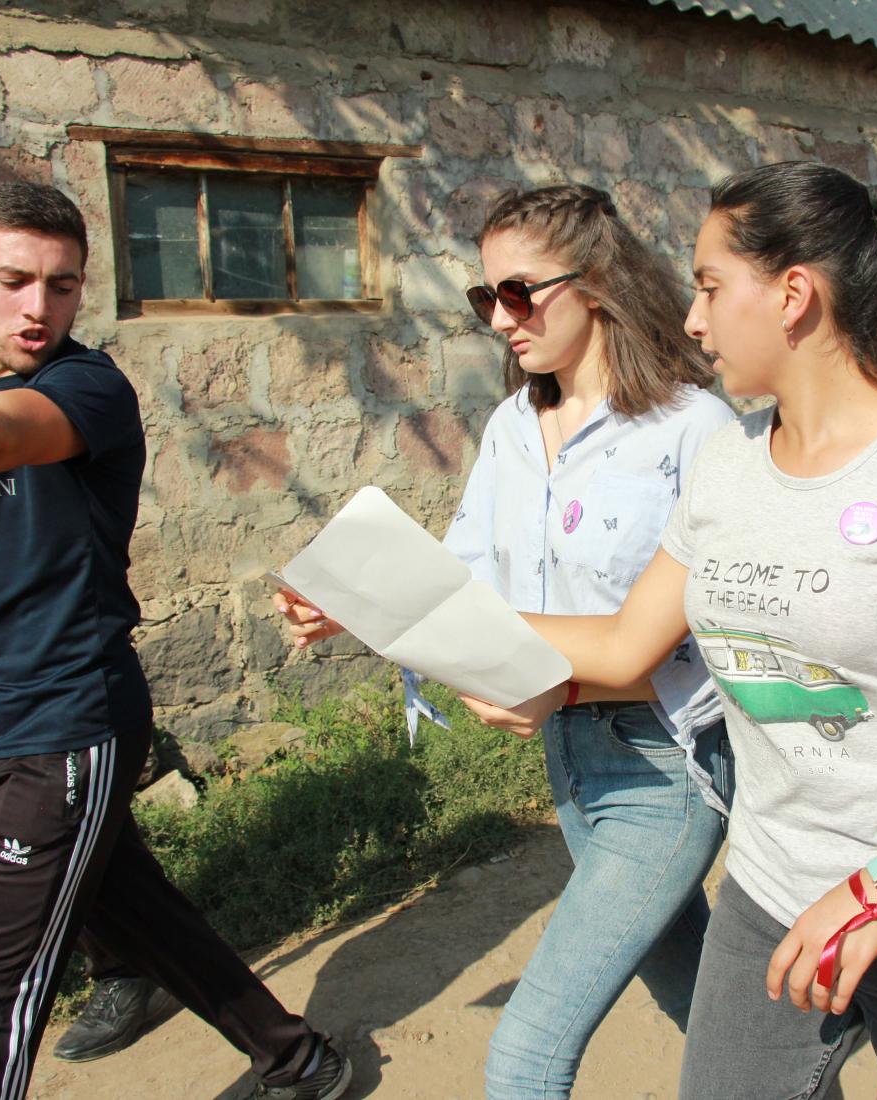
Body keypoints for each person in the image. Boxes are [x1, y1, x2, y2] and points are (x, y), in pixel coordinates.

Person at [290, 162, 877, 1099]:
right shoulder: (731, 467)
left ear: (794, 295)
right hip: (772, 888)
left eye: (711, 287)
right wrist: (383, 605)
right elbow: (626, 646)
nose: (691, 318)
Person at [0, 182, 348, 1100]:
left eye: (63, 285)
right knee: (131, 910)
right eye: (13, 281)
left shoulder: (84, 388)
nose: (38, 308)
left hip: (69, 723)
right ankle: (296, 1056)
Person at [279, 183, 734, 1100]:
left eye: (519, 293)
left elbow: (695, 631)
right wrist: (353, 603)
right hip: (567, 761)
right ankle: (811, 1056)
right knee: (710, 1011)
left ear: (597, 281)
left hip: (665, 767)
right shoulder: (513, 428)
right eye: (486, 299)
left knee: (528, 1052)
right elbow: (465, 582)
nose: (500, 319)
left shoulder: (693, 429)